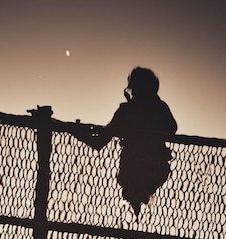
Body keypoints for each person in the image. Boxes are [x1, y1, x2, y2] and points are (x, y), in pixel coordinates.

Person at [75, 67, 177, 216]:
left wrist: (77, 132)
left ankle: (137, 195)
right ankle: (138, 195)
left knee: (133, 184)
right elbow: (172, 129)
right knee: (136, 185)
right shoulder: (158, 108)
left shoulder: (127, 111)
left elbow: (98, 142)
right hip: (153, 170)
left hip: (133, 169)